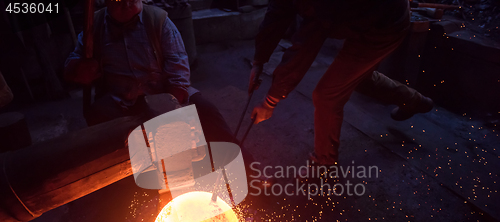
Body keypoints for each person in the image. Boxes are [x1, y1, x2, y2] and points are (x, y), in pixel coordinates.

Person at [64, 0, 269, 188]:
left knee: (207, 113)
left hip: (164, 93)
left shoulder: (158, 21)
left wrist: (170, 110)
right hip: (119, 100)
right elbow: (71, 65)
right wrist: (78, 69)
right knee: (106, 134)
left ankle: (247, 168)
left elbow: (179, 70)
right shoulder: (96, 27)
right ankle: (123, 191)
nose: (126, 3)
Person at [250, 0, 433, 166]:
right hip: (364, 16)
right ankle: (415, 101)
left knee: (326, 96)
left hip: (385, 24)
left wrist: (270, 101)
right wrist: (259, 59)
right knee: (356, 79)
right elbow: (277, 12)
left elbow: (304, 47)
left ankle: (324, 164)